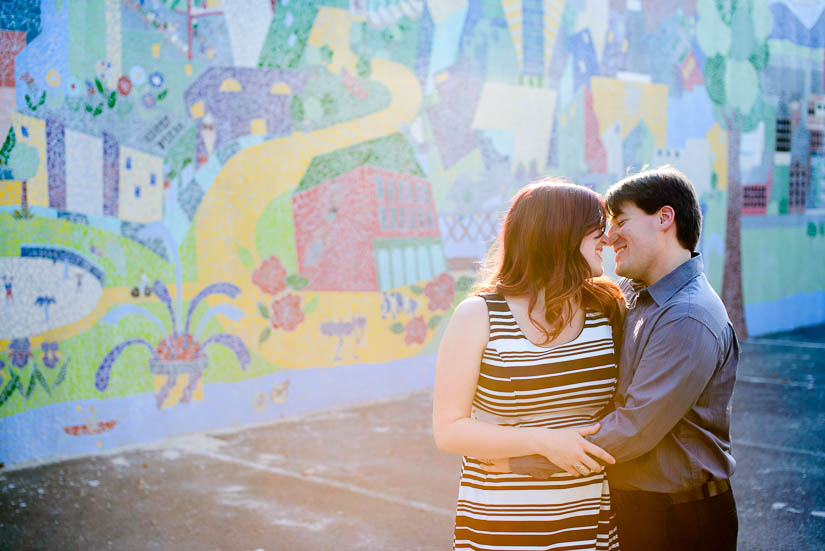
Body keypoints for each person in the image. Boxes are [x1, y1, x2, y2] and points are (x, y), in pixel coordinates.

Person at [488, 166, 740, 551]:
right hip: (635, 507)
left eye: (621, 221)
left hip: (679, 519)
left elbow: (634, 428)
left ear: (664, 218)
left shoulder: (687, 316)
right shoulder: (633, 295)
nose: (609, 236)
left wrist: (521, 462)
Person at [432, 179, 625, 550]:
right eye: (596, 229)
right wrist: (543, 442)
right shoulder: (479, 315)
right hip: (504, 522)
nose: (607, 239)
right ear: (558, 234)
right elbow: (449, 430)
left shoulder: (607, 308)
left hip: (587, 518)